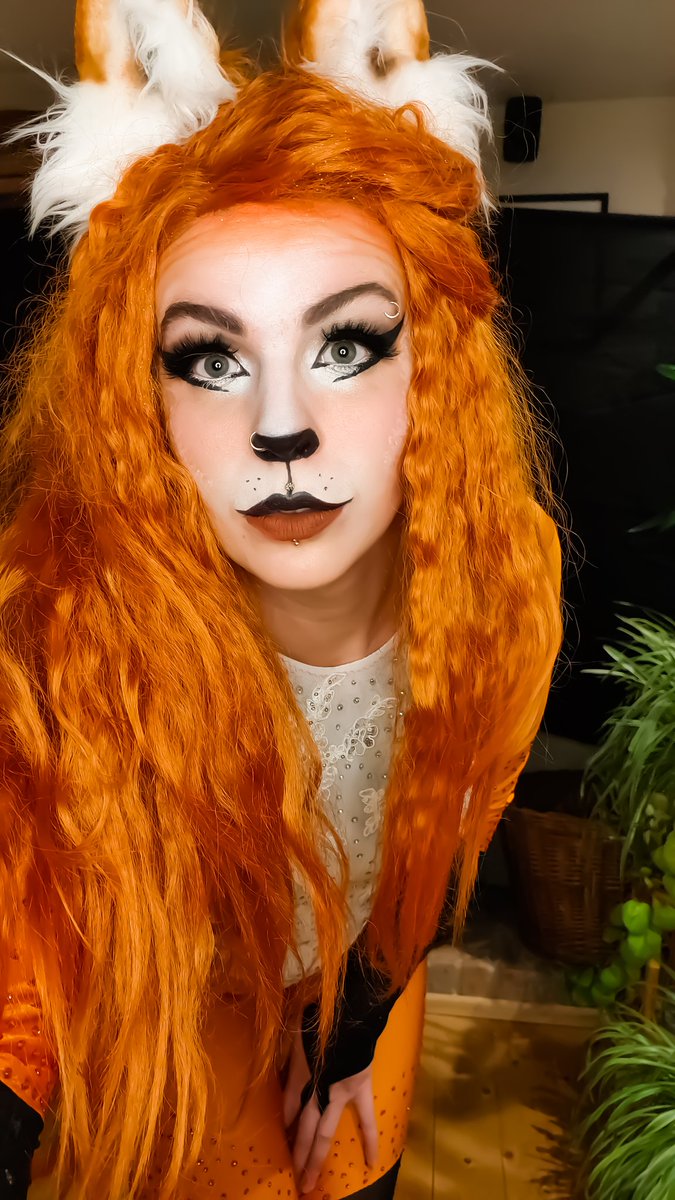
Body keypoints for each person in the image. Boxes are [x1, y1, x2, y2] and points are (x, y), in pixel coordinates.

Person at [0, 1, 562, 1197]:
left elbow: (456, 816)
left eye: (346, 344)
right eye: (212, 359)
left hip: (365, 979)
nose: (282, 426)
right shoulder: (67, 632)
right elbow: (23, 952)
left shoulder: (504, 578)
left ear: (435, 371)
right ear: (140, 405)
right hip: (171, 1011)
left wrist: (355, 1026)